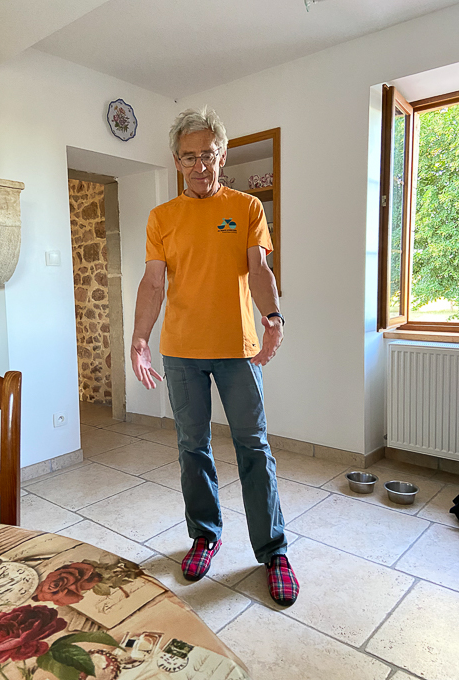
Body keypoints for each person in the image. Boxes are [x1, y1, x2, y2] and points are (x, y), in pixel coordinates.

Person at [131, 107, 299, 607]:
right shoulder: (162, 217)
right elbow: (153, 283)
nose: (199, 165)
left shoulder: (247, 207)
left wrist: (274, 319)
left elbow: (260, 270)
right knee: (193, 448)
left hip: (237, 351)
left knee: (254, 448)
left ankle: (273, 551)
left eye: (208, 154)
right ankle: (205, 535)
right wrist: (140, 339)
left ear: (222, 156)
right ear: (177, 161)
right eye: (189, 157)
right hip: (181, 352)